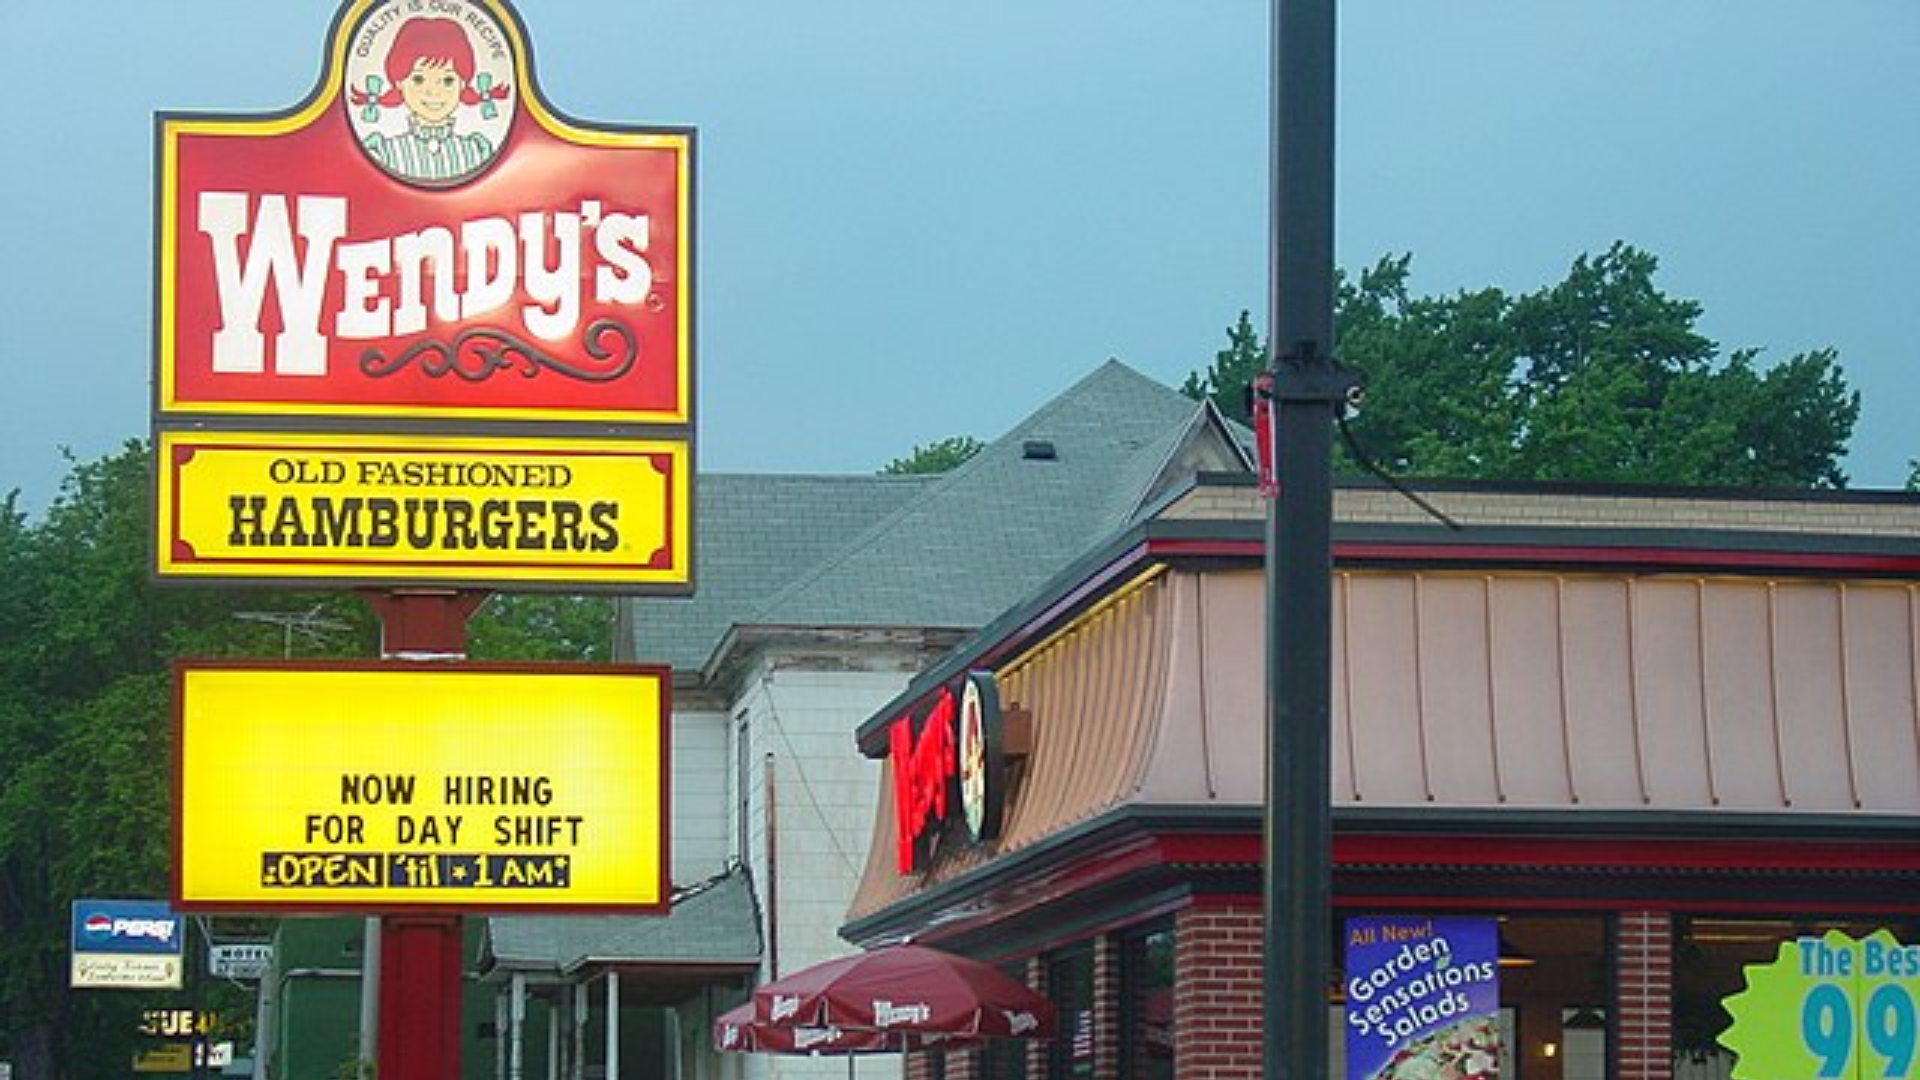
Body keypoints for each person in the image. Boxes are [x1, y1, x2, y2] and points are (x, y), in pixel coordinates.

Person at [352, 16, 510, 184]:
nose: (433, 92)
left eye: (447, 81)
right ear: (399, 83)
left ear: (463, 84)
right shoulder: (384, 150)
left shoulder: (476, 149)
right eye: (418, 80)